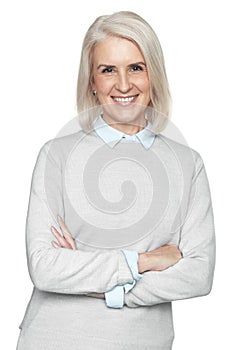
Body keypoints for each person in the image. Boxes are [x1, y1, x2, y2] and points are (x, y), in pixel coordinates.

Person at [16, 11, 215, 350]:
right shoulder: (56, 156)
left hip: (143, 342)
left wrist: (96, 282)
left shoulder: (187, 164)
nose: (123, 84)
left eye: (136, 67)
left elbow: (198, 275)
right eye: (108, 70)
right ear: (92, 82)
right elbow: (45, 267)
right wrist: (144, 261)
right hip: (53, 338)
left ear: (154, 75)